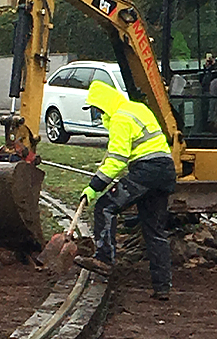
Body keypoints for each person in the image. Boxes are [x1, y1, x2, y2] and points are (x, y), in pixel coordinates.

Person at [73, 81, 176, 301]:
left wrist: (93, 188)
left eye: (98, 110)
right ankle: (162, 286)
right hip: (165, 170)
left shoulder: (120, 117)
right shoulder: (137, 108)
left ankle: (104, 259)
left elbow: (117, 160)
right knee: (154, 230)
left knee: (105, 207)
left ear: (104, 105)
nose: (97, 114)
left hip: (146, 171)